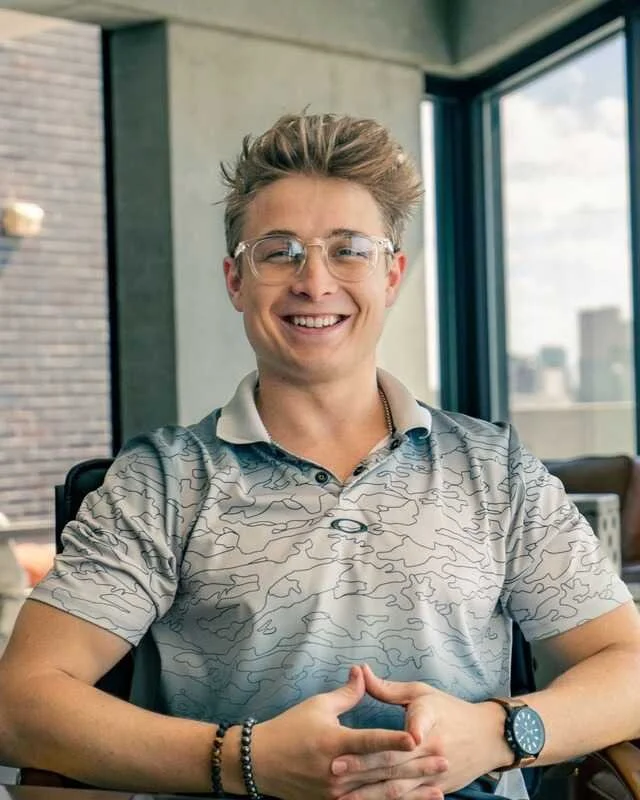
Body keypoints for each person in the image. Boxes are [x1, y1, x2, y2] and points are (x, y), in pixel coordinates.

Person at [0, 112, 639, 800]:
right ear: (235, 281)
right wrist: (243, 759)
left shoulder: (495, 468)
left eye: (349, 249)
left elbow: (627, 665)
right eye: (279, 252)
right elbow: (21, 704)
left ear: (391, 275)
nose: (314, 281)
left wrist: (496, 733)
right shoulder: (162, 480)